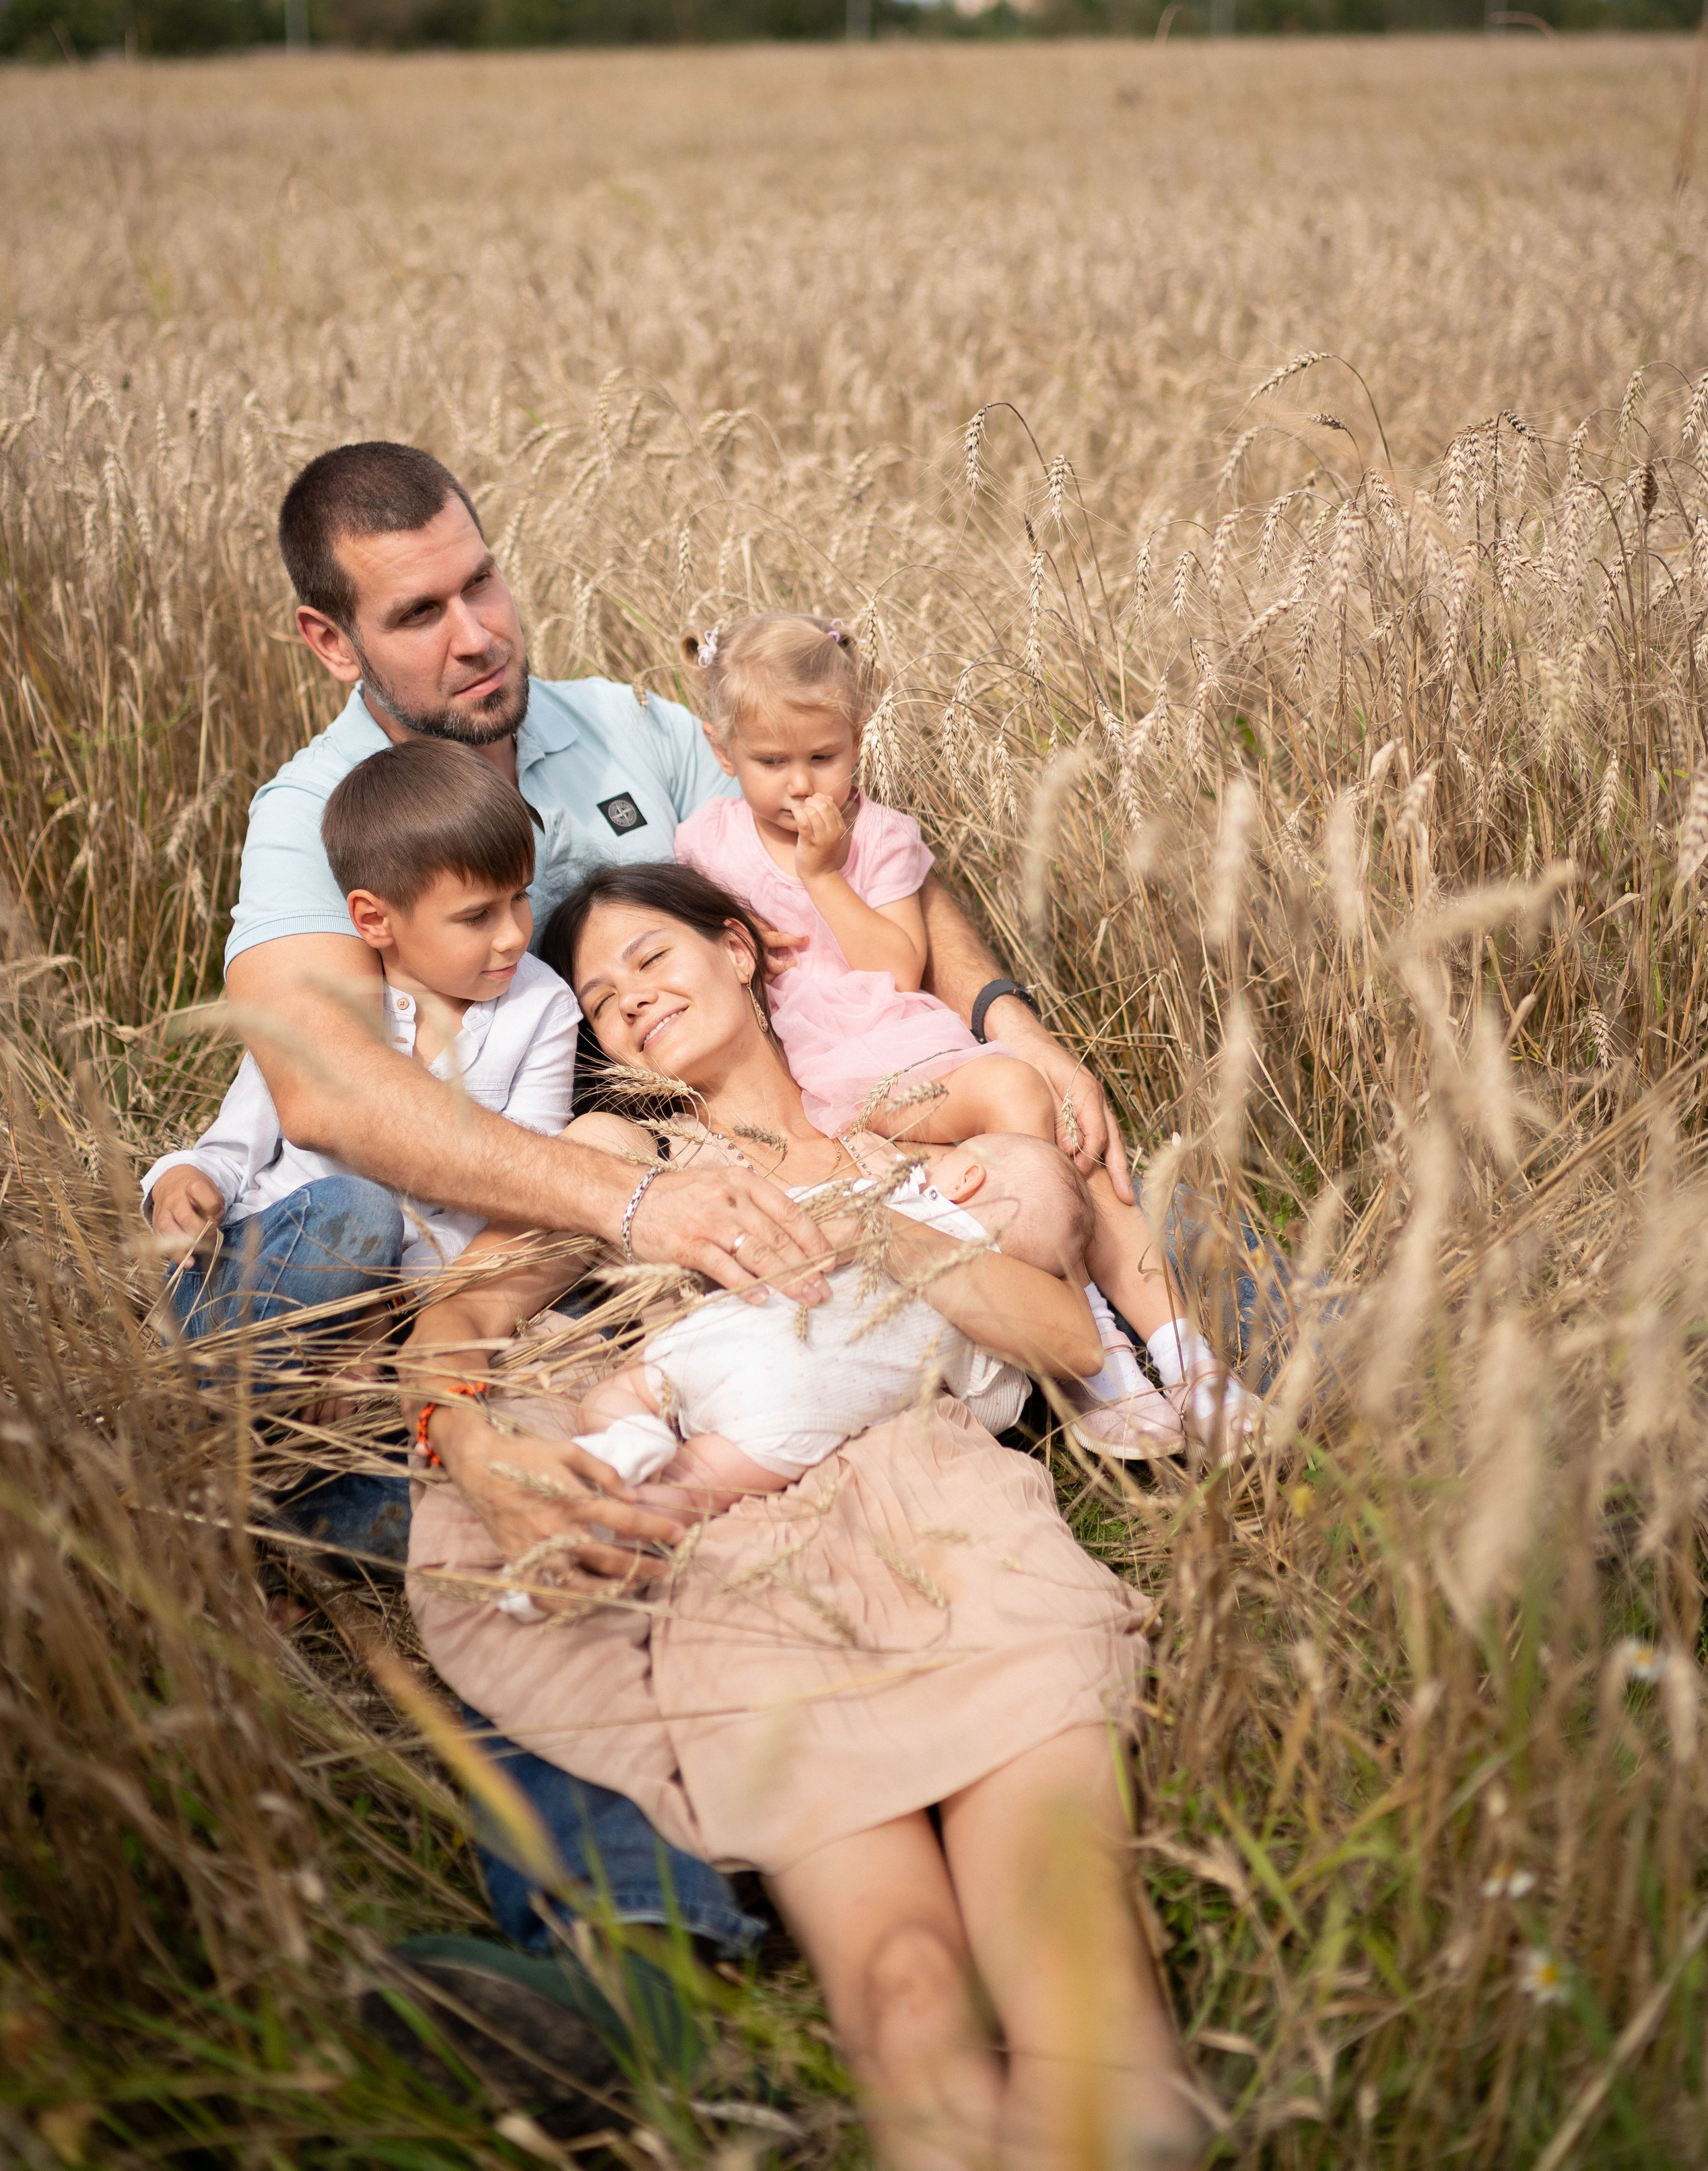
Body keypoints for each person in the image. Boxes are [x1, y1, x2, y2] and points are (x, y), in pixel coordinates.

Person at [203, 437, 1155, 2059]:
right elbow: (323, 1086)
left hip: (790, 1184)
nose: (476, 632)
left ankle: (1338, 1413)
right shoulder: (319, 821)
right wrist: (615, 1220)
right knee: (517, 1523)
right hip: (552, 1224)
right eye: (418, 612)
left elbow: (843, 852)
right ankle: (624, 1957)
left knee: (1115, 1191)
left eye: (482, 580)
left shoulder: (631, 733)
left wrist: (1003, 1019)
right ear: (329, 639)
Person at [401, 862, 1206, 2171]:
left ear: (737, 948)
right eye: (600, 1001)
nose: (629, 1002)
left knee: (1083, 1971)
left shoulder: (899, 1135)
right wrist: (467, 1437)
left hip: (952, 1517)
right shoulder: (629, 1162)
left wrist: (886, 1234)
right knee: (903, 2000)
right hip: (746, 1568)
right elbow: (465, 1313)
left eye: (650, 960)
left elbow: (1066, 1338)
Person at [674, 611, 1258, 1452]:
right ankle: (1097, 1353)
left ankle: (1190, 1365)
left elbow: (896, 963)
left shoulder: (879, 837)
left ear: (858, 739)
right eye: (771, 763)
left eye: (823, 757)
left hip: (907, 1039)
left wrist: (823, 878)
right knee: (1021, 1089)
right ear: (723, 751)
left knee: (1070, 1143)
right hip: (829, 1073)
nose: (800, 785)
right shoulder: (707, 844)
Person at [143, 740, 578, 1385]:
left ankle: (274, 1411)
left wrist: (386, 1303)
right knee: (359, 1205)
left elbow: (517, 1194)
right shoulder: (329, 1005)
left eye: (520, 896)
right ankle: (224, 1371)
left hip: (413, 1298)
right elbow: (231, 1151)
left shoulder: (542, 1007)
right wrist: (181, 1183)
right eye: (477, 916)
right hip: (262, 1270)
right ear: (375, 919)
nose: (515, 933)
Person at [565, 1129, 1099, 1514]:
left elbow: (787, 1217)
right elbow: (996, 1408)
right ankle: (624, 1515)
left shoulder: (874, 1196)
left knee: (620, 1391)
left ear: (967, 1177)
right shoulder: (986, 1330)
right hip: (794, 1416)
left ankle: (629, 1437)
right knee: (692, 1489)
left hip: (727, 1336)